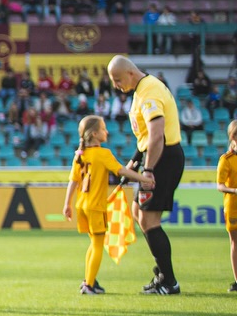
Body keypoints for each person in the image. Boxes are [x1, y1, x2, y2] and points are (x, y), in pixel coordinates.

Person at [107, 55, 183, 294]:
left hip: (163, 159)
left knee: (149, 220)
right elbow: (146, 138)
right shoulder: (142, 90)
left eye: (118, 80)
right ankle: (163, 274)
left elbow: (157, 135)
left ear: (130, 73)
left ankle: (169, 282)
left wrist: (148, 170)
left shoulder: (149, 91)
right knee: (138, 213)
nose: (116, 85)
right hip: (156, 156)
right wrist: (135, 161)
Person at [62, 115, 145, 295]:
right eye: (103, 128)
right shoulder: (103, 154)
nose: (106, 131)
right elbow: (121, 170)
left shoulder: (80, 155)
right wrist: (144, 178)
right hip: (96, 206)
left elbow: (73, 181)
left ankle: (89, 280)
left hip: (82, 205)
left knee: (93, 243)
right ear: (94, 134)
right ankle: (89, 285)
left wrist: (67, 203)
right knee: (99, 244)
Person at [219, 120, 237, 293]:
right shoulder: (226, 159)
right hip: (233, 205)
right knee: (235, 242)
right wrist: (234, 190)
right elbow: (220, 185)